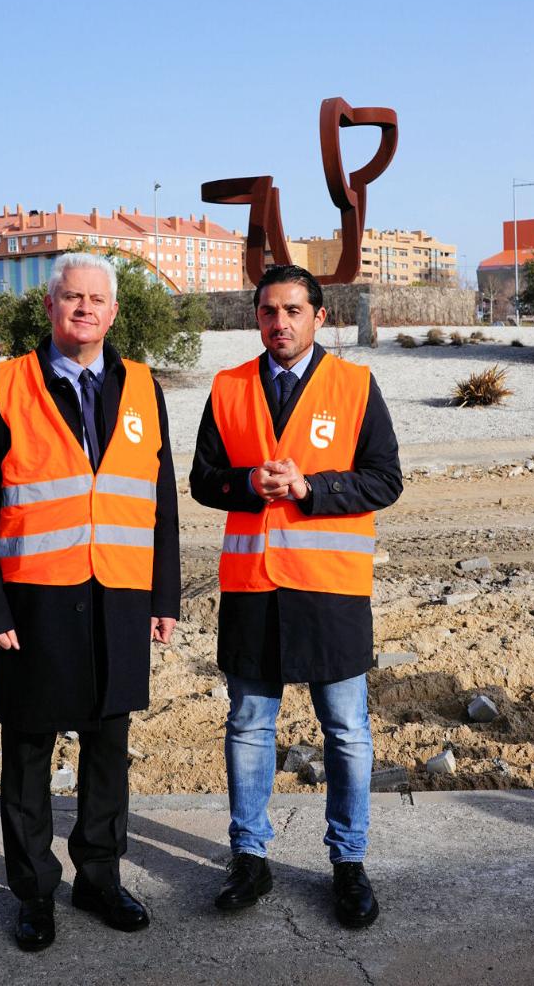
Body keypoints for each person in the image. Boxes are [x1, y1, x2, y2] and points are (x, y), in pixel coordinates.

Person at [0, 252, 180, 951]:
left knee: (108, 745)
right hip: (33, 605)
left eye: (96, 299)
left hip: (119, 597)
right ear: (50, 307)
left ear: (113, 312)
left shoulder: (143, 387)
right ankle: (34, 892)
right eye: (72, 297)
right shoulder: (0, 391)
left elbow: (160, 504)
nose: (84, 308)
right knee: (28, 747)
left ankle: (100, 878)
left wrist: (163, 595)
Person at [190, 264, 402, 928]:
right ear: (256, 317)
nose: (278, 322)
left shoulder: (355, 385)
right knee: (250, 725)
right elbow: (202, 479)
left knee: (346, 730)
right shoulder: (227, 387)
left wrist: (313, 488)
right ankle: (250, 859)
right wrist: (247, 484)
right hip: (254, 588)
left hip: (330, 590)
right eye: (267, 311)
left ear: (319, 317)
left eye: (292, 310)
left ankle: (349, 863)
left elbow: (385, 479)